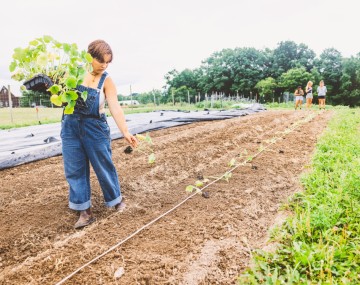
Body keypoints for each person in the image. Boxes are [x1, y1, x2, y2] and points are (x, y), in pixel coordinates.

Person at [61, 40, 138, 229]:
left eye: (108, 62)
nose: (104, 65)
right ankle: (84, 211)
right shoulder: (73, 74)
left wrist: (125, 131)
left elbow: (114, 106)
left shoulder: (107, 80)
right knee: (75, 169)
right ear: (89, 57)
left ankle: (116, 199)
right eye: (101, 61)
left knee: (104, 164)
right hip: (70, 126)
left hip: (95, 127)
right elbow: (60, 99)